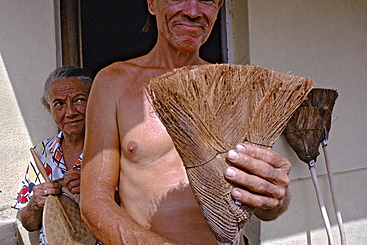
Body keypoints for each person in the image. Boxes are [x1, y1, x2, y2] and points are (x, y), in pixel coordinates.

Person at [81, 0, 291, 244]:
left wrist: (275, 198)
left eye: (207, 1)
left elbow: (262, 198)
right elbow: (94, 202)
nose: (193, 12)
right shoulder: (115, 83)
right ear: (151, 3)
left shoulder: (233, 87)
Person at [12, 66, 93, 245]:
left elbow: (138, 212)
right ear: (49, 108)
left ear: (95, 101)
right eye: (59, 104)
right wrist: (35, 203)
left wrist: (94, 188)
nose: (70, 112)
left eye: (79, 100)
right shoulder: (42, 152)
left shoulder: (111, 149)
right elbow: (29, 224)